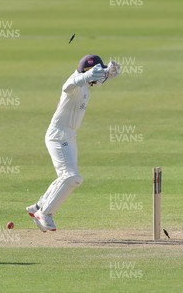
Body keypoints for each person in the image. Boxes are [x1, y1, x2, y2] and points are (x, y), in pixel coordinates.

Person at [26, 55, 121, 232]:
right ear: (87, 72)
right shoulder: (75, 84)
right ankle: (44, 213)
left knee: (66, 176)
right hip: (58, 135)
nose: (99, 77)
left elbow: (95, 78)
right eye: (96, 73)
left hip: (69, 136)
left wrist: (109, 73)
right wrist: (86, 76)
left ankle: (39, 206)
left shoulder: (85, 84)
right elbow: (67, 86)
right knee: (72, 177)